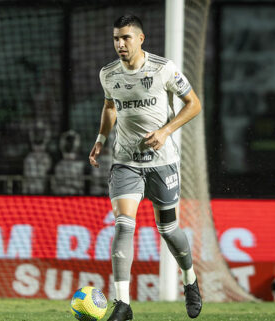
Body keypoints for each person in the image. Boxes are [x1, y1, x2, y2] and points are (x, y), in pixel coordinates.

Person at [88, 15, 203, 320]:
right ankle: (122, 304)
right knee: (124, 225)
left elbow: (194, 104)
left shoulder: (163, 68)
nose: (120, 44)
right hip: (125, 162)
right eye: (116, 38)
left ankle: (189, 279)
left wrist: (166, 131)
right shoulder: (108, 74)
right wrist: (101, 138)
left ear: (141, 39)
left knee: (168, 229)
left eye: (126, 38)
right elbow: (110, 105)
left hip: (162, 163)